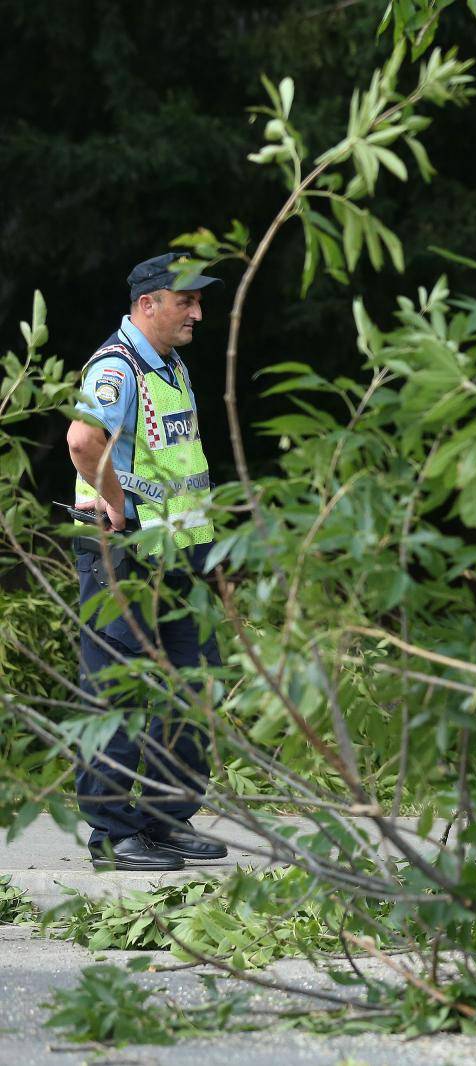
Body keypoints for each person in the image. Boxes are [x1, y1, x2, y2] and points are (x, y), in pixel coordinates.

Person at [64, 252, 230, 871]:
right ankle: (111, 832)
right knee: (121, 689)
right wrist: (116, 509)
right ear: (147, 305)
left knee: (192, 683)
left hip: (179, 552)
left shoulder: (170, 364)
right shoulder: (116, 366)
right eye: (186, 301)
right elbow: (83, 441)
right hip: (126, 553)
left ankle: (164, 820)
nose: (198, 312)